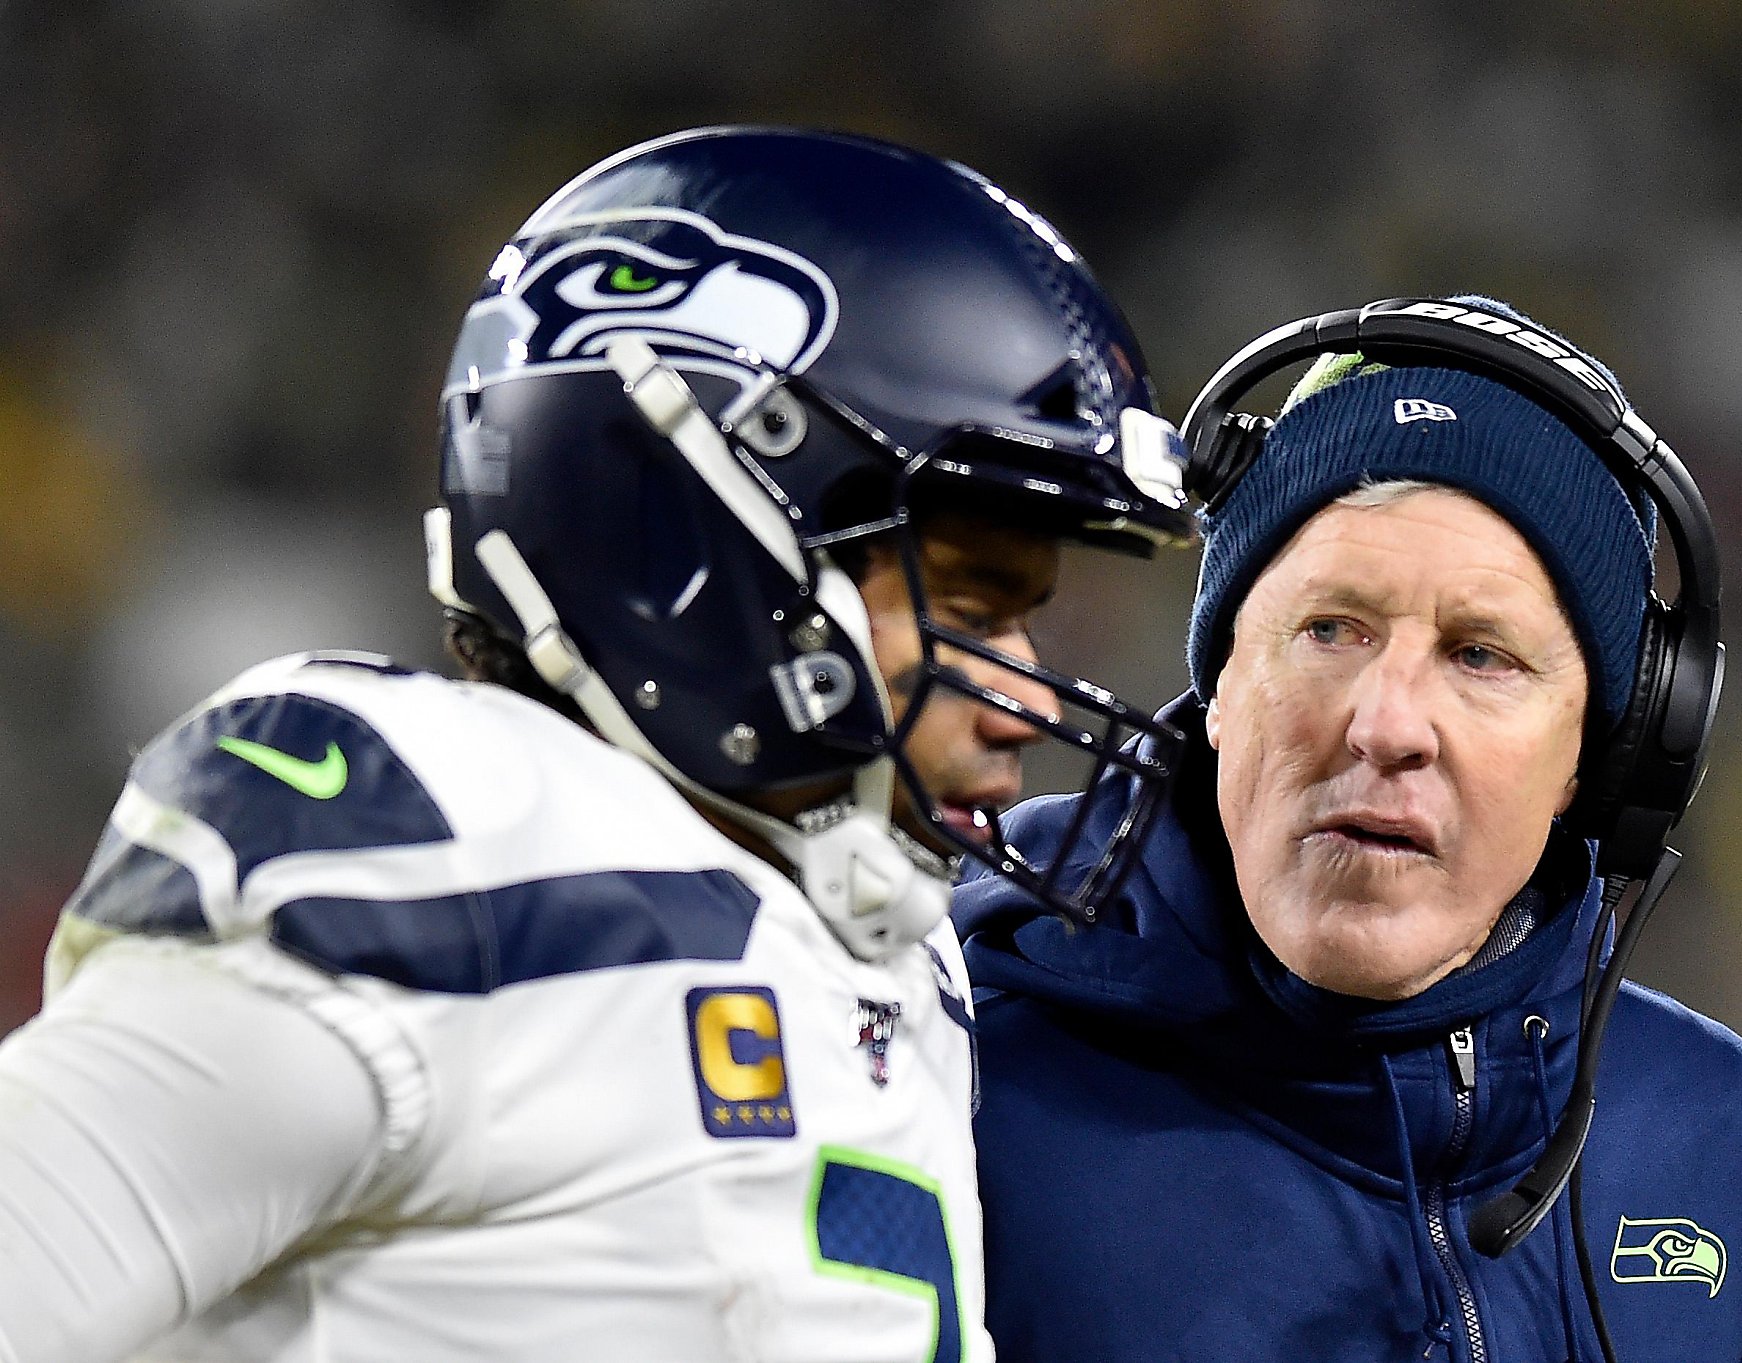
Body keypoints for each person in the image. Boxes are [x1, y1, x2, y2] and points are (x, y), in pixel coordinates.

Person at [0, 126, 1194, 1363]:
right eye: (968, 604)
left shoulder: (896, 959)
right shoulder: (439, 865)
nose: (1030, 698)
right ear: (695, 538)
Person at [957, 296, 1742, 1363]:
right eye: (1330, 629)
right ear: (1220, 685)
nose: (1384, 725)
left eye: (1479, 655)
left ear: (1591, 762)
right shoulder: (941, 1067)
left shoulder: (1712, 1126)